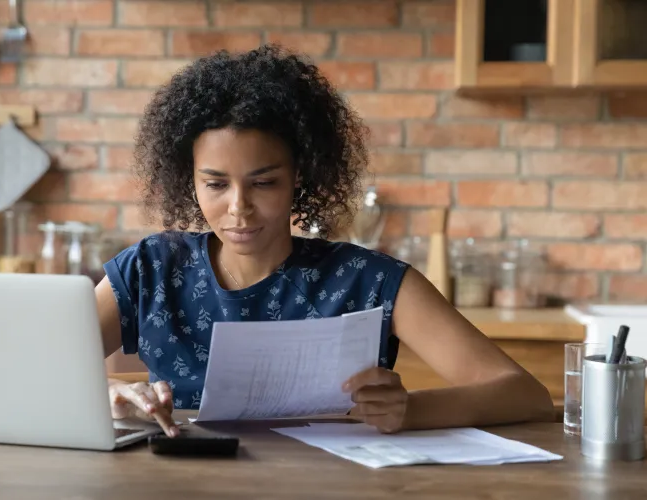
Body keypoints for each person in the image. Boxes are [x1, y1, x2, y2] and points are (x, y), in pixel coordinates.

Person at [95, 44, 555, 438]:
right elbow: (31, 368)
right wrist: (107, 392)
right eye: (216, 184)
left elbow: (524, 395)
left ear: (300, 176)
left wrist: (412, 410)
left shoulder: (368, 281)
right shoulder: (150, 270)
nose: (239, 207)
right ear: (188, 180)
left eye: (264, 182)